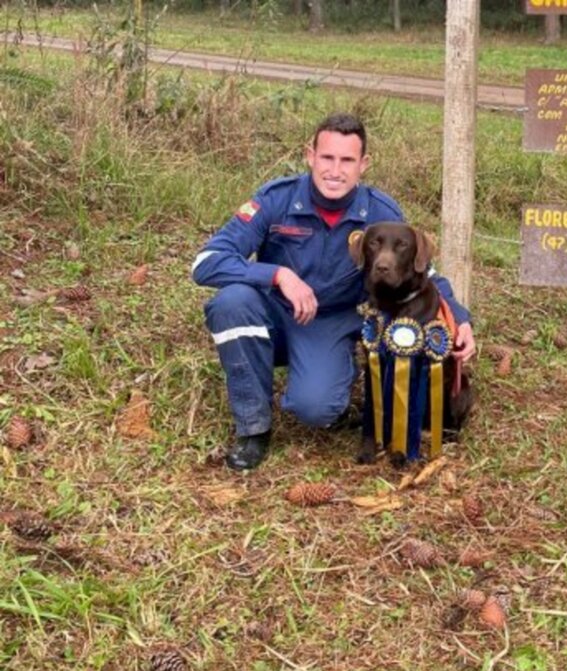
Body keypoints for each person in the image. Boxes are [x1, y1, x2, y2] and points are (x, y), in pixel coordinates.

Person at [192, 113, 475, 470]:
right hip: (275, 315)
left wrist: (460, 319)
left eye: (347, 160)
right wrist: (279, 274)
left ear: (364, 164)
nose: (335, 170)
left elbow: (425, 274)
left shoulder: (380, 212)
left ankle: (331, 391)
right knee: (232, 301)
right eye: (327, 158)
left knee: (315, 407)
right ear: (310, 155)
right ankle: (253, 430)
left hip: (330, 324)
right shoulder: (275, 200)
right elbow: (206, 262)